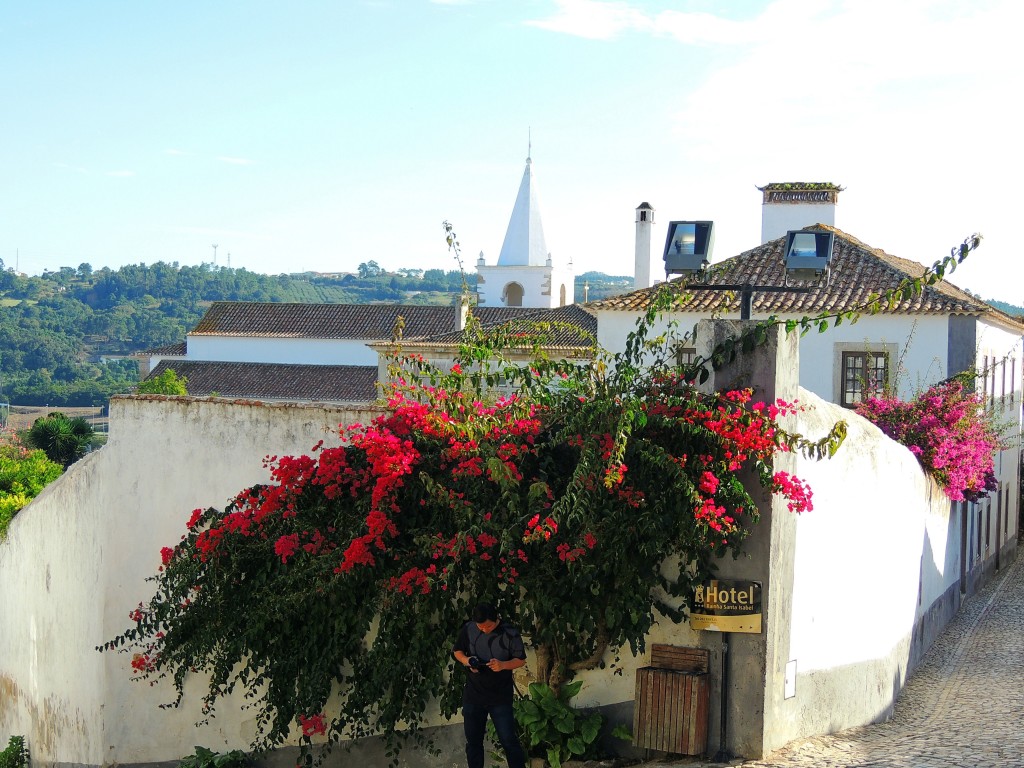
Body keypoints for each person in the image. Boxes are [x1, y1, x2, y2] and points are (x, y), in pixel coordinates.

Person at [452, 602, 527, 768]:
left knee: (509, 741)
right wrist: (467, 661)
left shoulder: (510, 632)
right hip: (473, 694)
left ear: (496, 619)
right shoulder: (469, 628)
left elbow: (520, 660)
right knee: (473, 742)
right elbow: (457, 651)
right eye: (480, 627)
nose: (484, 630)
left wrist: (502, 665)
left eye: (488, 626)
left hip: (500, 696)